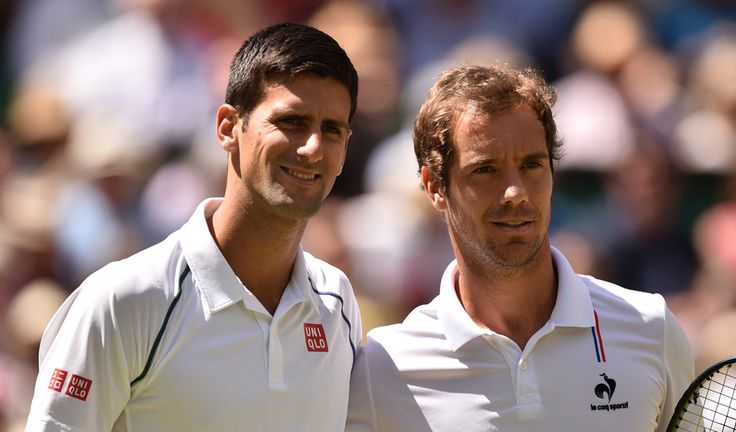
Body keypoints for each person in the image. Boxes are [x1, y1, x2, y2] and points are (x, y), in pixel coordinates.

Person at [25, 22, 362, 431]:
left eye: (332, 130)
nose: (312, 148)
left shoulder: (337, 301)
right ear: (227, 128)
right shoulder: (122, 300)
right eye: (292, 121)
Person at [346, 65, 694, 431]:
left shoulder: (651, 327)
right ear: (434, 187)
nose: (515, 192)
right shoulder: (383, 369)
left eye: (531, 165)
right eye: (486, 170)